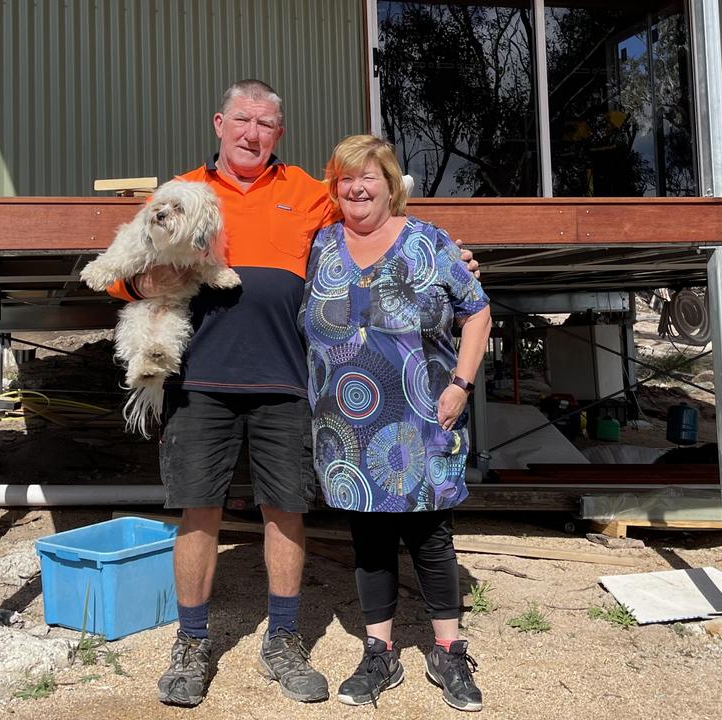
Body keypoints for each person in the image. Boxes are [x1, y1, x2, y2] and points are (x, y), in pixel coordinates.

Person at [105, 80, 478, 707]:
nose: (253, 133)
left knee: (286, 510)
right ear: (220, 123)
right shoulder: (182, 192)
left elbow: (375, 216)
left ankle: (283, 640)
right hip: (199, 383)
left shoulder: (309, 192)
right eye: (243, 121)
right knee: (198, 512)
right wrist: (146, 282)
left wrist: (447, 255)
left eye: (267, 124)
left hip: (286, 383)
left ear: (279, 134)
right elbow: (123, 270)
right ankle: (192, 645)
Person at [302, 135, 491, 712]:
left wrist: (460, 384)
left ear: (391, 184)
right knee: (370, 541)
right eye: (345, 180)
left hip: (424, 419)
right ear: (335, 190)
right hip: (348, 426)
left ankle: (448, 649)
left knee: (431, 538)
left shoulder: (431, 243)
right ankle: (378, 652)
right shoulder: (319, 245)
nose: (357, 188)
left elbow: (477, 310)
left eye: (369, 178)